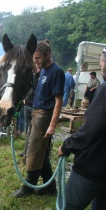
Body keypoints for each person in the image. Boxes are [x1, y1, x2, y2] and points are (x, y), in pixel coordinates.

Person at [12, 39, 65, 198]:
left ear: (48, 55)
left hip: (45, 115)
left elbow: (58, 101)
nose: (35, 61)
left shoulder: (56, 72)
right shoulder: (41, 71)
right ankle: (50, 187)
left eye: (37, 58)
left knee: (35, 150)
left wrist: (52, 125)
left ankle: (29, 185)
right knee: (39, 150)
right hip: (36, 112)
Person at [57, 49, 106, 210]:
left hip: (93, 167)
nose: (100, 64)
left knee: (68, 208)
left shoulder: (104, 89)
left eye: (102, 60)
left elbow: (92, 127)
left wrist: (67, 146)